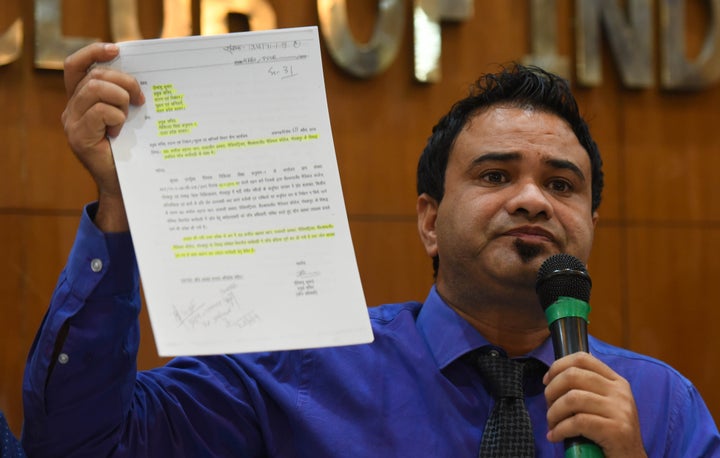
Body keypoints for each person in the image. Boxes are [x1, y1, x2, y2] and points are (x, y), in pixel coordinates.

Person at [21, 42, 719, 457]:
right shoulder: (299, 366)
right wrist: (121, 206)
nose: (533, 199)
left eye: (561, 184)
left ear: (590, 223)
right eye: (496, 175)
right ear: (427, 221)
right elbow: (84, 446)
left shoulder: (662, 407)